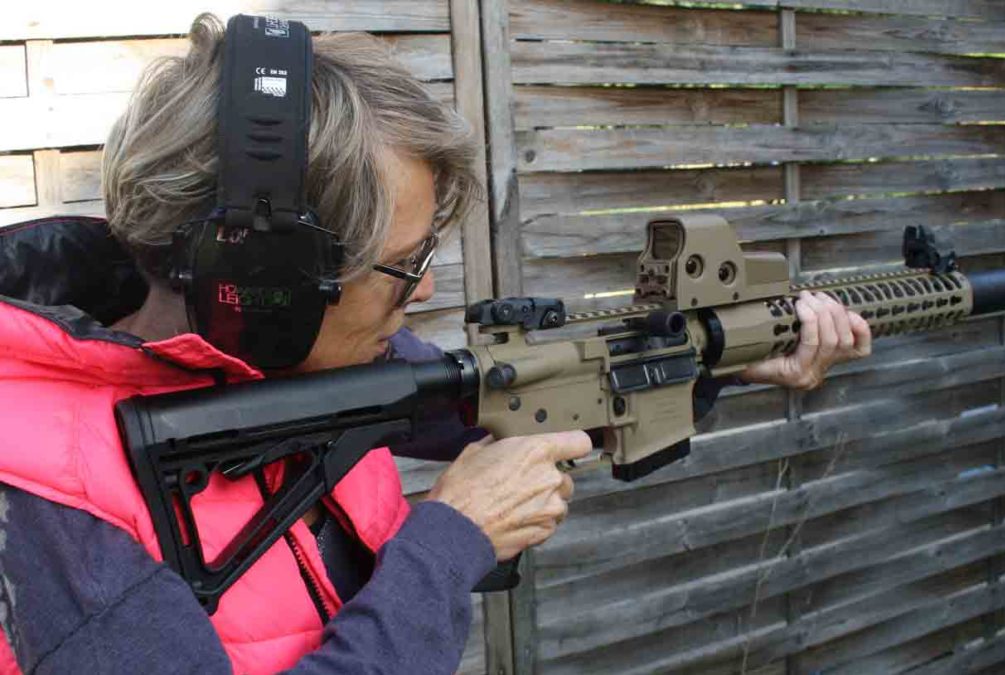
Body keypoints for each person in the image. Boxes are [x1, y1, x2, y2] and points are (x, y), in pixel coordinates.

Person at [0, 15, 871, 675]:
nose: (422, 291)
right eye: (404, 263)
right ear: (270, 287)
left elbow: (512, 392)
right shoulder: (46, 501)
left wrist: (724, 353)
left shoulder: (298, 365)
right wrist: (452, 541)